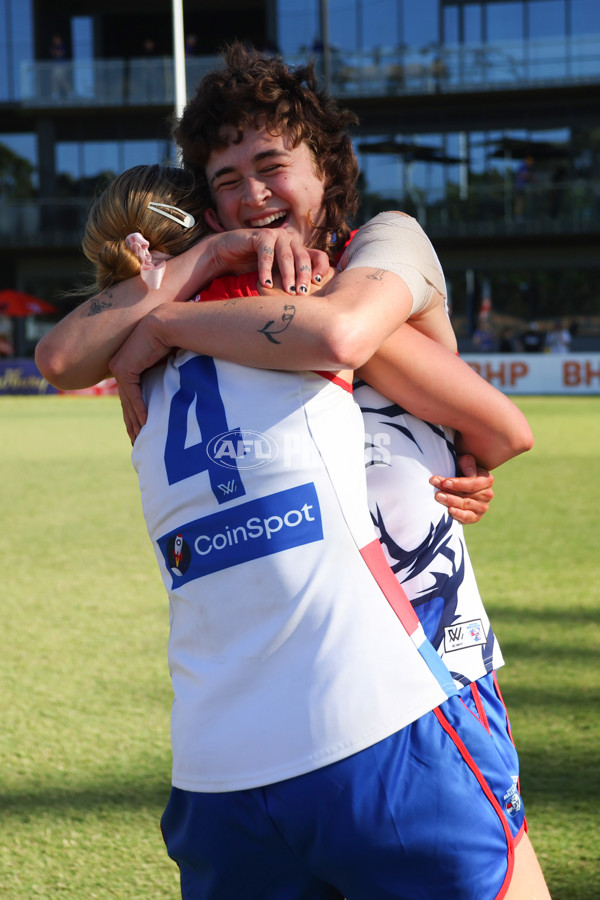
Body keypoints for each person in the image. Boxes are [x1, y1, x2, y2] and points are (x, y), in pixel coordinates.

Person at [37, 46, 550, 899]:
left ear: (328, 170)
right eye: (227, 180)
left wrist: (165, 324)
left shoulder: (380, 244)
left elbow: (351, 338)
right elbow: (61, 357)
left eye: (273, 166)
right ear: (208, 206)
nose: (254, 195)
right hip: (351, 693)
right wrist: (199, 274)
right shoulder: (233, 293)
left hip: (429, 661)